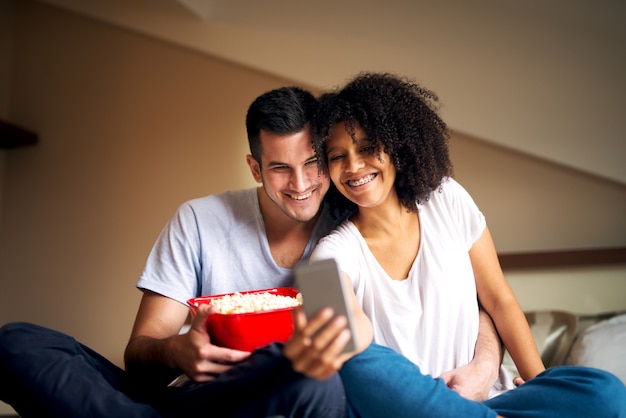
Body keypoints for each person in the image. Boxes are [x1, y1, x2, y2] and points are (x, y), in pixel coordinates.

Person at [0, 85, 502, 417]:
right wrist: (179, 350)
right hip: (201, 397)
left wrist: (483, 367)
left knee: (317, 382)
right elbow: (140, 354)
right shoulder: (198, 221)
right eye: (280, 168)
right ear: (255, 167)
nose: (303, 184)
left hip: (287, 389)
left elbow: (470, 299)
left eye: (314, 163)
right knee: (17, 343)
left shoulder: (352, 221)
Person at [309, 72, 626, 417]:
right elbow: (348, 351)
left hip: (494, 399)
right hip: (416, 410)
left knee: (605, 391)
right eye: (337, 156)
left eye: (367, 148)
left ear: (396, 145)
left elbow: (498, 297)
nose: (353, 166)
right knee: (358, 358)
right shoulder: (332, 254)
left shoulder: (447, 199)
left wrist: (540, 384)